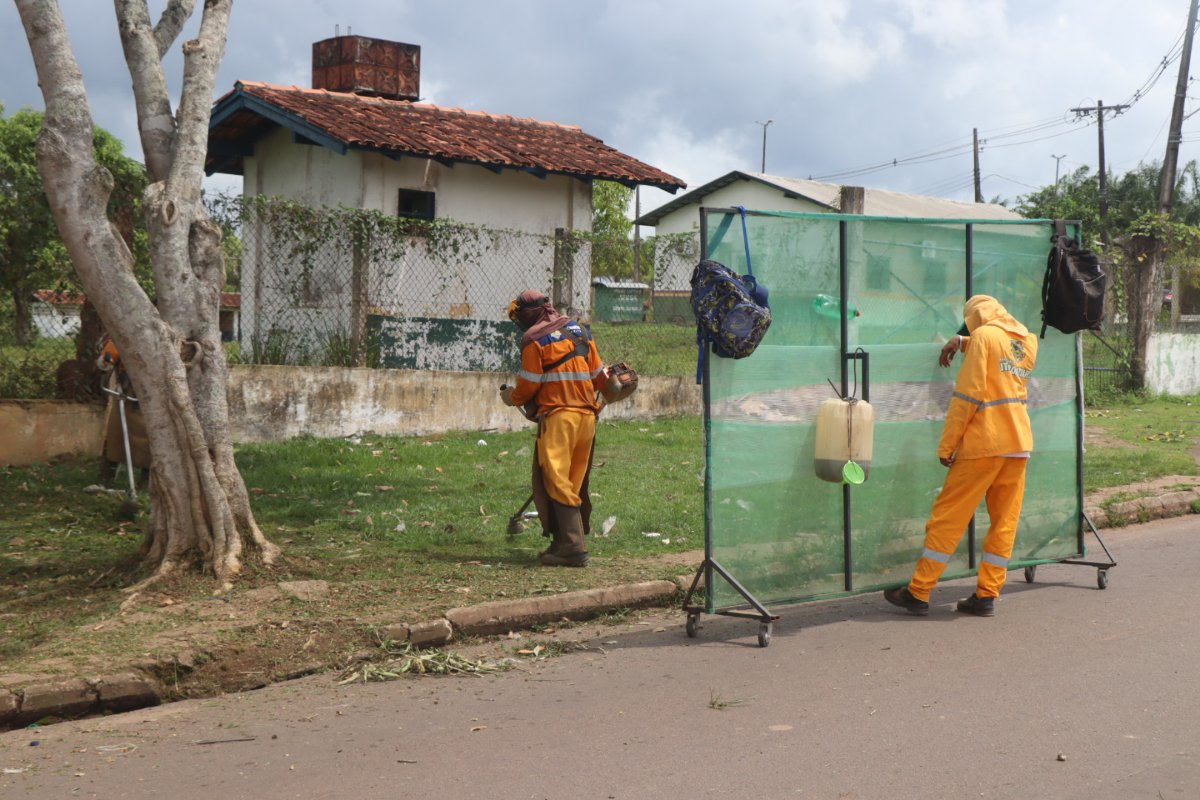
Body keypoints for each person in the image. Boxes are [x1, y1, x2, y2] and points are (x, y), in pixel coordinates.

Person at [884, 294, 1038, 617]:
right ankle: (986, 595)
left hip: (986, 442)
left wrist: (947, 445)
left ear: (976, 318)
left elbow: (968, 396)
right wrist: (962, 341)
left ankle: (919, 590)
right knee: (1004, 523)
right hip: (1018, 444)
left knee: (949, 517)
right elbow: (998, 353)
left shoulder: (983, 337)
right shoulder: (1026, 342)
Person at [500, 290, 608, 567]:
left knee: (556, 479)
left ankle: (572, 547)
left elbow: (529, 385)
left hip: (560, 416)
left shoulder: (534, 339)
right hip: (587, 418)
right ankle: (562, 543)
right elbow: (599, 376)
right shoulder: (580, 331)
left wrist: (511, 397)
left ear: (529, 313)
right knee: (573, 480)